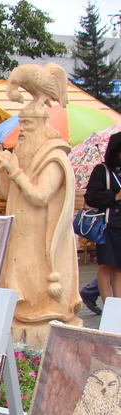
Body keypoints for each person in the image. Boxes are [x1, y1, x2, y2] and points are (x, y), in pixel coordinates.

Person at [0, 98, 81, 343]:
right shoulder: (23, 155)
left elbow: (40, 196)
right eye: (21, 124)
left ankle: (43, 317)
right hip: (21, 233)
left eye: (27, 124)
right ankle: (24, 319)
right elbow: (9, 193)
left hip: (42, 237)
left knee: (39, 286)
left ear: (41, 126)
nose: (22, 131)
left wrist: (15, 171)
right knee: (23, 283)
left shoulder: (53, 158)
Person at [85, 131, 121, 308]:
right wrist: (115, 196)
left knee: (119, 267)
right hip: (108, 225)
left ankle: (118, 305)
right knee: (106, 265)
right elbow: (91, 197)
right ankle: (108, 306)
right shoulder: (102, 170)